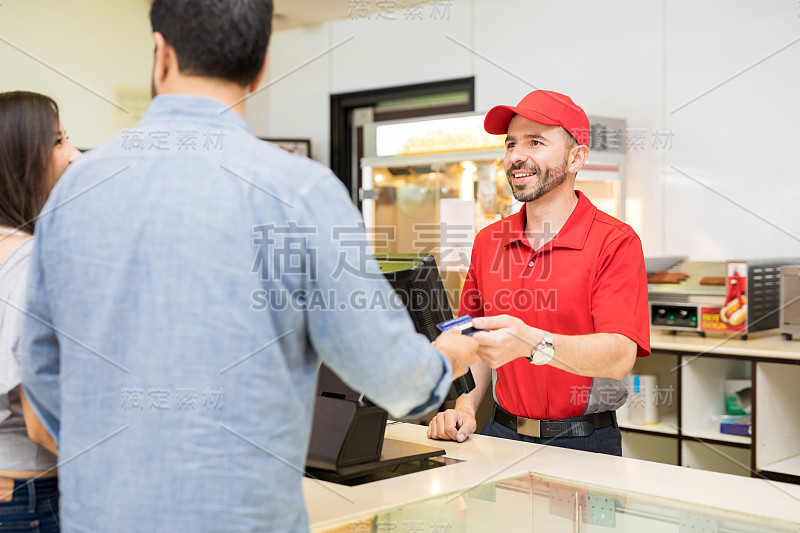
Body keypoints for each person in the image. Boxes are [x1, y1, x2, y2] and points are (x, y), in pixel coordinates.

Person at [17, 1, 477, 532]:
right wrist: (448, 355)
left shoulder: (77, 188)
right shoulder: (301, 193)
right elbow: (397, 381)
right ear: (261, 67)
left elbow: (43, 373)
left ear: (160, 54)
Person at [427, 90, 650, 455]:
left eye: (535, 142)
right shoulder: (489, 242)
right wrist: (464, 404)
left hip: (585, 441)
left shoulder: (615, 242)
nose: (516, 156)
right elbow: (472, 335)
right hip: (501, 433)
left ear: (576, 157)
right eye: (511, 143)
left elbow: (619, 356)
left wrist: (533, 343)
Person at [0, 91, 81, 532]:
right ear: (18, 159)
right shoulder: (30, 261)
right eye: (57, 142)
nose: (74, 155)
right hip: (29, 502)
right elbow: (42, 424)